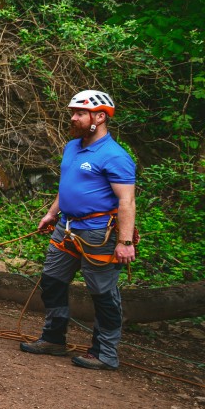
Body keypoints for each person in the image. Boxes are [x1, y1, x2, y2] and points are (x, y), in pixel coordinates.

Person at [19, 90, 137, 371]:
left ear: (100, 117)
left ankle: (105, 353)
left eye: (80, 113)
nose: (73, 117)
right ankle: (53, 338)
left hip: (99, 234)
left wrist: (125, 241)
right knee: (52, 280)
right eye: (73, 112)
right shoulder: (72, 147)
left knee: (103, 293)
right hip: (66, 228)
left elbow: (127, 200)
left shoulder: (115, 156)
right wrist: (51, 213)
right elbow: (67, 185)